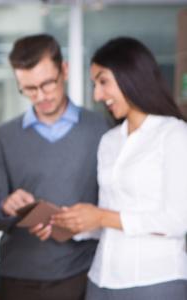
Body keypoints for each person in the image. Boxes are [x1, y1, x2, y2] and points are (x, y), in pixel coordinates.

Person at [53, 37, 187, 300]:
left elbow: (178, 220)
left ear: (131, 75)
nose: (97, 95)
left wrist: (101, 217)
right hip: (101, 280)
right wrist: (72, 223)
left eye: (103, 82)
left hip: (155, 281)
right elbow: (106, 217)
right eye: (94, 85)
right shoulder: (109, 140)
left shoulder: (175, 135)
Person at [0, 34, 109, 300]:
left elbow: (114, 207)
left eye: (47, 84)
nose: (41, 96)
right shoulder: (3, 137)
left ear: (65, 70)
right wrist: (5, 206)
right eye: (29, 89)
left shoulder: (102, 130)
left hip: (81, 273)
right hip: (17, 276)